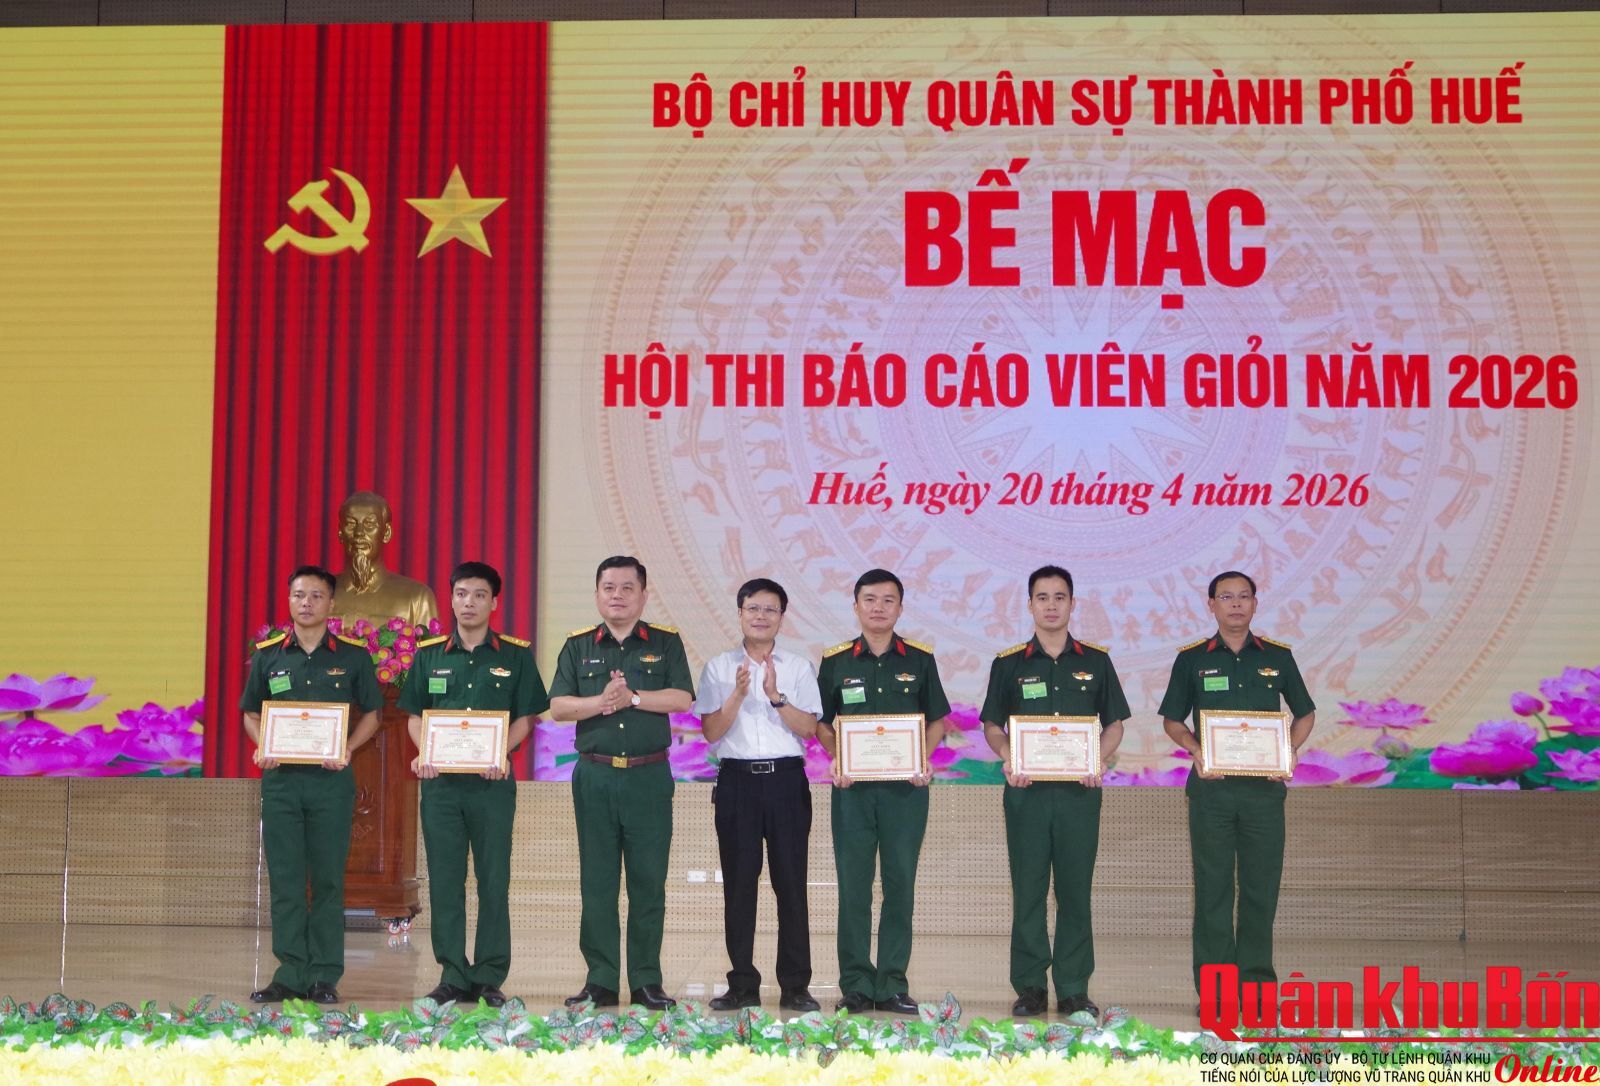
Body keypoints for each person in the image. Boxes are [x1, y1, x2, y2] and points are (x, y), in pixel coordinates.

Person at [1157, 571, 1316, 1009]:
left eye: (1244, 596)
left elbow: (1305, 713)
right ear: (1211, 605)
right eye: (1226, 597)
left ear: (1255, 604)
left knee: (1260, 890)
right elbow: (1172, 720)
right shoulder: (1192, 659)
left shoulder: (1278, 657)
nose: (1236, 604)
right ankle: (1216, 991)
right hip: (1213, 792)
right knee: (1213, 890)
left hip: (1264, 794)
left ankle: (1258, 987)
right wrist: (1195, 749)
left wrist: (1289, 749)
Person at [980, 566, 1128, 1019]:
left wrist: (1097, 759)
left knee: (1074, 892)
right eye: (1042, 597)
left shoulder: (1096, 661)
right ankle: (1029, 987)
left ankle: (1073, 988)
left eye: (1059, 597)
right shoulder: (1009, 663)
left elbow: (1114, 724)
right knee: (1028, 890)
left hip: (1079, 795)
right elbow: (992, 725)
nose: (1050, 605)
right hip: (1026, 794)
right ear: (1029, 605)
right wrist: (1008, 756)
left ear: (1072, 604)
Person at [399, 561, 547, 1008]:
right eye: (461, 593)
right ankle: (452, 972)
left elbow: (526, 717)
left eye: (479, 595)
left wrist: (501, 753)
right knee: (445, 881)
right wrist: (425, 751)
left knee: (493, 879)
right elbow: (414, 716)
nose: (469, 603)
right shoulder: (429, 655)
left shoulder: (515, 656)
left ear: (494, 602)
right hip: (441, 788)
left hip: (491, 787)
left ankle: (488, 975)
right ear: (451, 599)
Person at [548, 556, 693, 1010]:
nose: (617, 595)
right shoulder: (577, 646)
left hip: (649, 777)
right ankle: (601, 980)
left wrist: (632, 697)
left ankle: (647, 980)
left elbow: (682, 698)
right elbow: (559, 707)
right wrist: (603, 702)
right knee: (598, 882)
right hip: (595, 775)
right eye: (609, 587)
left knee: (648, 882)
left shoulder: (665, 643)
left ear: (643, 595)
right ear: (597, 594)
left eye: (627, 587)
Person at [240, 565, 382, 1004]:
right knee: (285, 880)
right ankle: (289, 972)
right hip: (281, 783)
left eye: (316, 596)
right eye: (299, 595)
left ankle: (323, 975)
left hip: (330, 782)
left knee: (327, 882)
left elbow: (373, 715)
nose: (306, 603)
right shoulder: (268, 656)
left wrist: (348, 748)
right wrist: (263, 744)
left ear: (331, 604)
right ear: (289, 601)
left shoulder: (353, 657)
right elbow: (250, 713)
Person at [815, 569, 950, 1015]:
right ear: (855, 606)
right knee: (854, 888)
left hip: (905, 793)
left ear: (900, 608)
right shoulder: (836, 662)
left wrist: (922, 758)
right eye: (870, 599)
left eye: (888, 600)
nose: (878, 607)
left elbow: (937, 720)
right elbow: (822, 722)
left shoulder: (920, 660)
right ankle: (855, 984)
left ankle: (892, 983)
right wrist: (839, 757)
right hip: (852, 792)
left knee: (900, 886)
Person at [694, 578, 823, 1013]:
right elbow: (711, 732)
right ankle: (742, 985)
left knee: (791, 885)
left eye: (770, 609)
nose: (761, 616)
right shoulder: (718, 667)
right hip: (737, 783)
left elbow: (809, 729)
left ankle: (796, 985)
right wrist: (737, 694)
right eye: (753, 608)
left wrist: (774, 696)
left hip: (786, 781)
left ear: (782, 617)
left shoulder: (799, 667)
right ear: (740, 614)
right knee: (739, 886)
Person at [330, 491, 439, 626]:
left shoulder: (417, 598)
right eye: (351, 524)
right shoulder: (318, 595)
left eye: (369, 524)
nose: (359, 532)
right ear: (340, 532)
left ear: (386, 533)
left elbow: (430, 640)